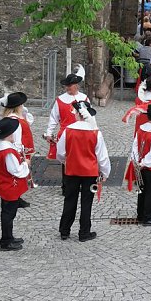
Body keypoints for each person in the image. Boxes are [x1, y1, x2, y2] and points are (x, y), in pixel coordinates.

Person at [56, 101, 111, 241]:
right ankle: (84, 232)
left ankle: (64, 230)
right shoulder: (95, 132)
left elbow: (60, 153)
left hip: (71, 171)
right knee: (87, 202)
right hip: (90, 173)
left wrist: (67, 162)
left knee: (69, 200)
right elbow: (102, 157)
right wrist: (105, 173)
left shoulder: (68, 130)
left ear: (78, 114)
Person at [0, 92, 34, 208]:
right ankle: (14, 197)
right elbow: (14, 139)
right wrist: (19, 152)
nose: (23, 107)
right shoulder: (13, 121)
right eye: (21, 105)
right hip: (16, 150)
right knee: (15, 173)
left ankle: (17, 196)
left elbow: (29, 120)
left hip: (21, 149)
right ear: (17, 106)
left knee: (19, 174)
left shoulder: (18, 117)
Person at [0, 118, 30, 251]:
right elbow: (15, 170)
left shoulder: (1, 146)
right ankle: (6, 241)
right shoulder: (7, 152)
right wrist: (25, 164)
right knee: (8, 214)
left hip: (4, 185)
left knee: (8, 212)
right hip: (9, 186)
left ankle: (9, 237)